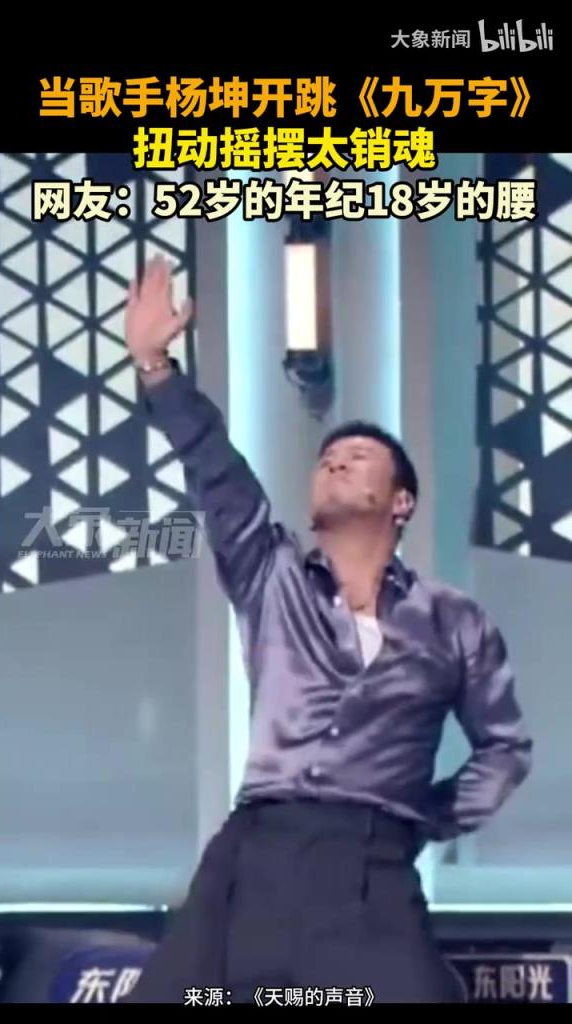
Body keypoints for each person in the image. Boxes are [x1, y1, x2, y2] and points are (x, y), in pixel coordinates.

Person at [123, 256, 532, 1005]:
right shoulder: (270, 572)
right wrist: (156, 368)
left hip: (370, 869)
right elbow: (216, 472)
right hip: (255, 856)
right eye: (326, 459)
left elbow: (505, 748)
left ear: (401, 501)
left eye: (358, 458)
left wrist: (419, 817)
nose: (335, 463)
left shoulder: (454, 620)